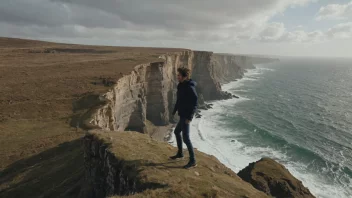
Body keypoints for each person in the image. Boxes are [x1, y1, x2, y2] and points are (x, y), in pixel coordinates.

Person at [170, 67, 198, 169]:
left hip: (186, 116)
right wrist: (174, 110)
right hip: (182, 115)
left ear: (184, 77)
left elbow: (195, 103)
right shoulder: (180, 86)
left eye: (179, 75)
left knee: (186, 138)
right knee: (177, 132)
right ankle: (180, 153)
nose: (177, 77)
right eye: (177, 75)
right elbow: (179, 100)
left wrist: (190, 118)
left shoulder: (190, 88)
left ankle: (193, 160)